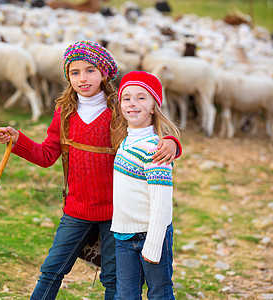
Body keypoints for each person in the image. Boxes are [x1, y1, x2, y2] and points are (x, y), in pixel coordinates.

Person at [0, 40, 182, 300]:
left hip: (114, 213)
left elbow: (149, 132)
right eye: (75, 72)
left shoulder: (119, 110)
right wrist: (18, 141)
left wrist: (173, 142)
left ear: (104, 73)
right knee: (51, 269)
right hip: (77, 209)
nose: (83, 78)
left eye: (90, 70)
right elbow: (47, 154)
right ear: (67, 76)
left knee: (114, 279)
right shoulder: (65, 112)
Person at [111, 71, 180, 300]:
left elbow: (161, 201)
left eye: (141, 97)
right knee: (125, 296)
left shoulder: (155, 149)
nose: (132, 103)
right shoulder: (125, 142)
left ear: (153, 107)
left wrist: (153, 243)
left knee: (160, 294)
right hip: (123, 235)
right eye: (127, 98)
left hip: (151, 235)